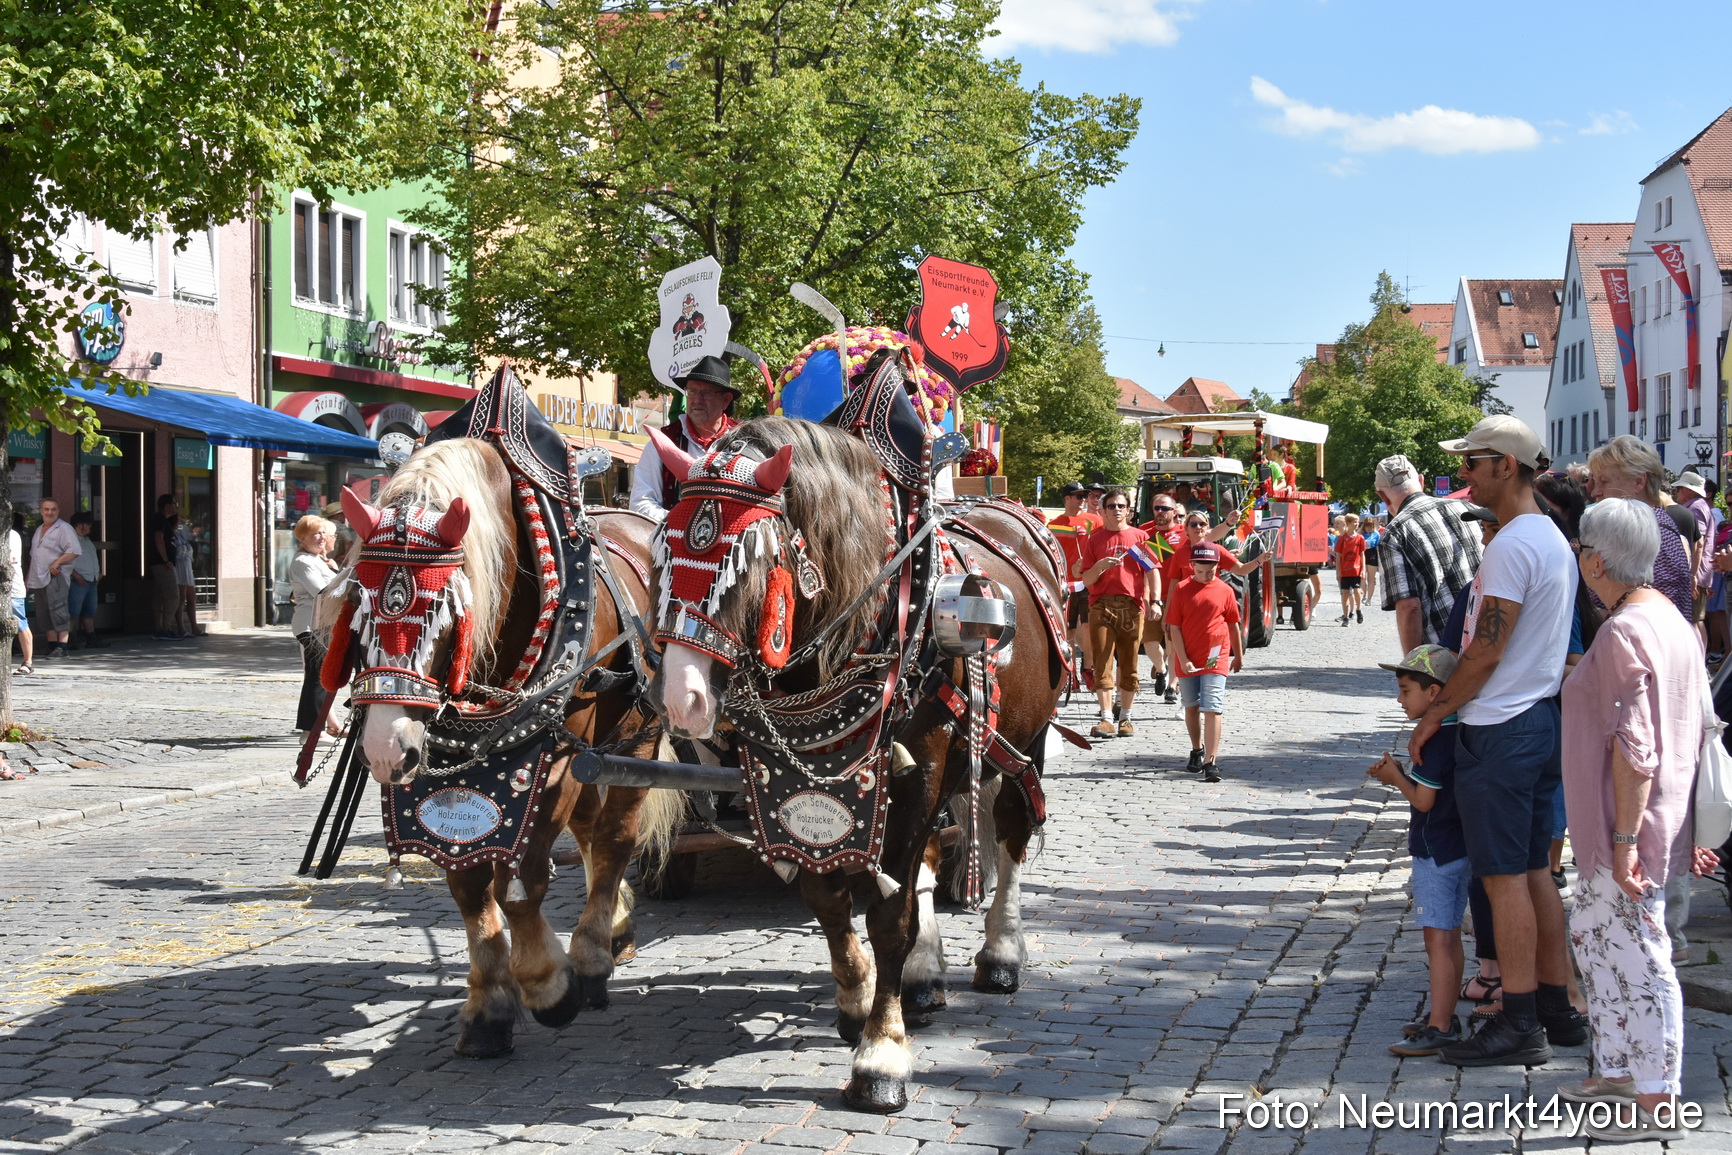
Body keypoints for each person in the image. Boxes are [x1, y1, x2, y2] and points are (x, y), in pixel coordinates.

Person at [1409, 415, 1585, 1068]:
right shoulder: (1551, 536)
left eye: (1473, 463)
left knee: (1504, 877)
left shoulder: (1514, 542)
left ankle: (1517, 1020)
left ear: (1506, 466)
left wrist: (1437, 713)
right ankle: (1553, 1006)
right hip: (1537, 722)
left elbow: (1484, 650)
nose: (1464, 475)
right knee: (1535, 872)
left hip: (1502, 727)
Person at [1560, 497, 1721, 1141]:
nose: (1577, 561)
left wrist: (1625, 841)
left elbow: (1637, 746)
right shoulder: (1672, 620)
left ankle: (1658, 1097)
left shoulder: (1627, 629)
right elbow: (1704, 725)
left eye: (1578, 550)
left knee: (1639, 956)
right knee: (1599, 941)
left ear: (1597, 560)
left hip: (1625, 827)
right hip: (1641, 823)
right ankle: (1622, 1070)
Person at [1367, 645, 1467, 1056]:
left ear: (1434, 693)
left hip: (1436, 851)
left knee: (1437, 939)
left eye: (1406, 690)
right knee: (1451, 935)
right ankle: (1445, 1012)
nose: (1399, 698)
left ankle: (1440, 1025)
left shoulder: (1434, 739)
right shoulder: (1457, 729)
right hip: (1457, 848)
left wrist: (1395, 778)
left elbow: (1424, 800)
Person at [1376, 454, 1483, 653]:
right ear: (1421, 481)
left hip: (1445, 655)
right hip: (1491, 638)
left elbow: (1409, 607)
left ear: (1382, 496)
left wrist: (1414, 668)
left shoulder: (1395, 533)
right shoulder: (1469, 508)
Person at [1078, 487, 1157, 739]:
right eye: (1111, 506)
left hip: (1132, 606)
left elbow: (1152, 570)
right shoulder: (1095, 539)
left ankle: (1126, 718)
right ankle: (1105, 718)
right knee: (1102, 661)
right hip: (1101, 605)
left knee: (1130, 663)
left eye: (1121, 506)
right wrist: (1100, 566)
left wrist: (1155, 601)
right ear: (1103, 510)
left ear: (1128, 510)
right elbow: (1087, 580)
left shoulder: (1140, 537)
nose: (1116, 510)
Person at [1586, 438, 1692, 622]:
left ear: (1638, 482)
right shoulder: (1641, 529)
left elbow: (1656, 620)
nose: (1595, 492)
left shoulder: (1656, 536)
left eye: (1604, 481)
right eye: (1595, 482)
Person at [1164, 544, 1244, 783]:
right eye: (1201, 571)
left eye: (1211, 571)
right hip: (1187, 655)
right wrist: (1183, 659)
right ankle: (1196, 749)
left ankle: (1211, 761)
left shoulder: (1225, 590)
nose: (1206, 575)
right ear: (1193, 566)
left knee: (1212, 706)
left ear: (1217, 567)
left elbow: (1233, 624)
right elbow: (1174, 628)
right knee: (1191, 706)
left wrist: (1238, 655)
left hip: (1216, 656)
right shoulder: (1181, 589)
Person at [630, 356, 742, 522]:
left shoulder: (745, 441)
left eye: (706, 393)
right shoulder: (661, 444)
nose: (697, 400)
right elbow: (640, 503)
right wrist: (682, 522)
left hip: (733, 542)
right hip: (673, 542)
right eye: (691, 392)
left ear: (725, 400)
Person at [289, 516, 340, 738]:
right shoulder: (303, 561)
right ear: (302, 537)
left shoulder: (317, 560)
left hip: (322, 625)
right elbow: (321, 591)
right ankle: (310, 732)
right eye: (314, 534)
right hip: (310, 625)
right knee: (317, 679)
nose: (321, 538)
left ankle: (319, 728)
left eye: (323, 533)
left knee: (320, 678)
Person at [1048, 482, 1102, 691]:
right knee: (1069, 632)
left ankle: (1087, 669)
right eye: (1077, 496)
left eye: (1083, 497)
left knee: (1089, 629)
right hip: (1066, 584)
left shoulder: (1095, 521)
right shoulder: (1054, 525)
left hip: (1088, 582)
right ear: (1067, 498)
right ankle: (1069, 673)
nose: (1081, 501)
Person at [1137, 494, 1185, 699]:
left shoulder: (1184, 533)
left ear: (1174, 512)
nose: (1160, 512)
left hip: (1177, 596)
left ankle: (1173, 686)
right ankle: (1162, 670)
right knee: (1149, 642)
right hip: (1151, 597)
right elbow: (1141, 568)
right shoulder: (1143, 534)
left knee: (1173, 642)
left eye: (1165, 509)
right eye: (1157, 508)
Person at [27, 498, 80, 660]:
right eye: (46, 509)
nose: (49, 512)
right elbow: (34, 556)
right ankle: (51, 646)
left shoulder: (64, 528)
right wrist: (28, 578)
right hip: (38, 577)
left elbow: (74, 551)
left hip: (55, 577)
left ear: (58, 511)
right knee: (43, 613)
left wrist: (57, 562)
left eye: (53, 509)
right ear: (41, 511)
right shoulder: (39, 529)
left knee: (58, 610)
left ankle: (62, 647)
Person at [67, 512, 105, 650]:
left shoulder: (87, 540)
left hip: (91, 580)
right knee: (73, 612)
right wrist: (75, 575)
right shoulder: (70, 540)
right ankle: (71, 638)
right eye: (88, 524)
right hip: (78, 580)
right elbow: (65, 561)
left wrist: (97, 573)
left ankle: (91, 637)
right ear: (80, 525)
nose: (90, 527)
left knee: (89, 611)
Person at [148, 494, 180, 639]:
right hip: (162, 564)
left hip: (160, 563)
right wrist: (165, 559)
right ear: (167, 505)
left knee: (159, 597)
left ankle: (159, 629)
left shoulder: (164, 520)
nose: (176, 506)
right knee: (173, 596)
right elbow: (158, 538)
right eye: (174, 503)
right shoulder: (160, 519)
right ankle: (165, 629)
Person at [6, 526, 33, 677]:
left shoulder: (11, 535)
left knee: (20, 622)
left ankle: (27, 662)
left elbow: (12, 559)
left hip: (12, 588)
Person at [1335, 513, 1366, 626]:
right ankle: (1346, 617)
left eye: (1358, 522)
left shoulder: (1360, 538)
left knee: (1357, 591)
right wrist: (1338, 571)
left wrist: (1363, 569)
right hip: (1345, 571)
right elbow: (1339, 556)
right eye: (1354, 522)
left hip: (1356, 570)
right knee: (1345, 594)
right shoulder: (1342, 539)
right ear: (1348, 524)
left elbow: (1362, 554)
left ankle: (1358, 610)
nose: (1357, 524)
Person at [172, 514, 196, 638]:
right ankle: (181, 628)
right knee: (181, 598)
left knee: (191, 597)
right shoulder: (171, 536)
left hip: (187, 567)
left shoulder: (181, 534)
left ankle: (194, 627)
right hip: (180, 567)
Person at [1361, 516, 1382, 603]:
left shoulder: (1376, 534)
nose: (1369, 528)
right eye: (1367, 525)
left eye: (1370, 525)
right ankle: (1364, 593)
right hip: (1362, 554)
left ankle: (1369, 599)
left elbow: (1378, 547)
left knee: (1371, 578)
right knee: (1362, 577)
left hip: (1372, 554)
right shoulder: (1361, 534)